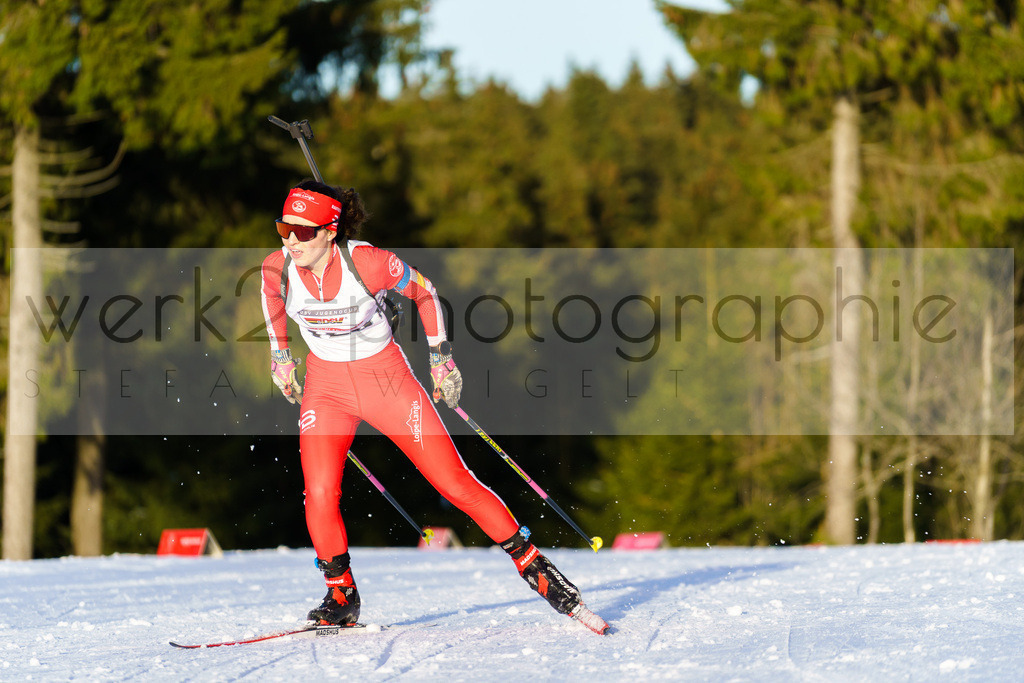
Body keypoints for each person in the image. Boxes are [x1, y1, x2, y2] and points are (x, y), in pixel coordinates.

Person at [259, 180, 604, 631]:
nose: (290, 240)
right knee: (320, 492)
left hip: (386, 381)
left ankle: (533, 565)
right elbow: (270, 300)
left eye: (303, 232)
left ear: (330, 230)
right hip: (326, 388)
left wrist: (441, 360)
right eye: (284, 228)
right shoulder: (277, 268)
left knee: (454, 483)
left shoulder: (369, 263)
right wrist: (281, 356)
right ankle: (341, 594)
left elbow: (424, 292)